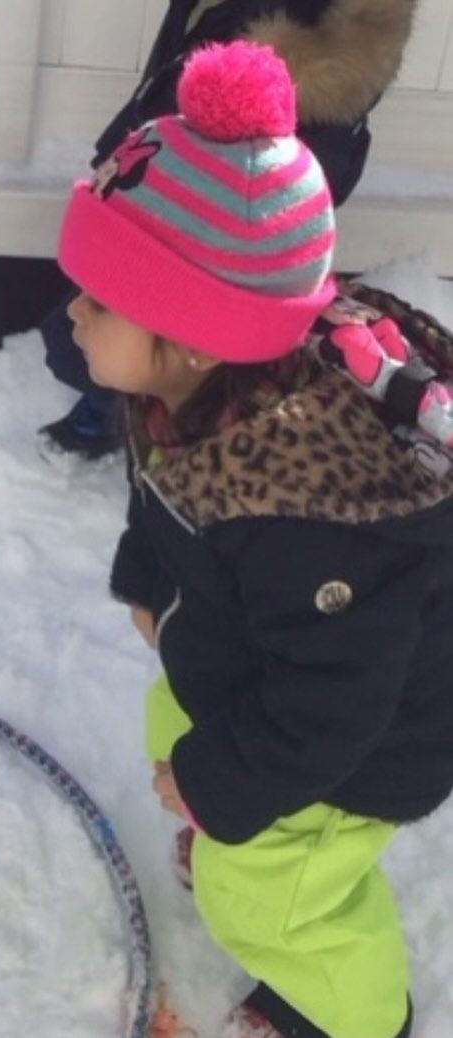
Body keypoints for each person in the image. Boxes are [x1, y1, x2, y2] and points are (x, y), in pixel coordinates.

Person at [56, 39, 453, 1038]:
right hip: (267, 676)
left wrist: (219, 786)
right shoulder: (196, 392)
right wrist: (151, 579)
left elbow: (333, 705)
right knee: (173, 721)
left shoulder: (313, 517)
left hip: (363, 747)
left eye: (98, 300)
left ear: (188, 331)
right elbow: (164, 493)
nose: (71, 311)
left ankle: (353, 1013)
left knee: (267, 896)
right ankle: (225, 815)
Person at [39, 0, 419, 460]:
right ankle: (142, 408)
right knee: (108, 335)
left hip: (208, 239)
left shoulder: (330, 34)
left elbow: (300, 179)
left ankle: (154, 423)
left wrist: (238, 223)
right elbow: (171, 71)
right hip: (155, 185)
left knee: (118, 343)